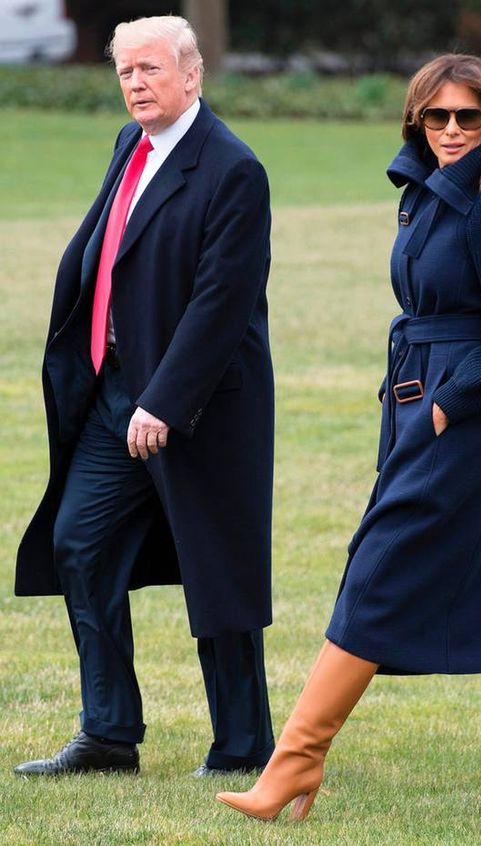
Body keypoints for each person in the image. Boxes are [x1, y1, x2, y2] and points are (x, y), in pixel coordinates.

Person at [216, 53, 481, 821]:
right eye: (437, 116)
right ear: (416, 119)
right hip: (417, 397)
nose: (451, 129)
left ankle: (294, 763)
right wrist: (417, 401)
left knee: (378, 567)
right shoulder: (421, 194)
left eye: (468, 116)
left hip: (463, 411)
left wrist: (447, 406)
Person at [14, 15, 275, 777]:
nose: (136, 83)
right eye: (125, 70)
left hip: (200, 404)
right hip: (116, 393)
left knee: (217, 572)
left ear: (192, 75)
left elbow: (222, 302)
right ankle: (108, 733)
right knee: (79, 544)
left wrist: (165, 401)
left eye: (151, 68)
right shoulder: (130, 144)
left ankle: (242, 748)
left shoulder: (233, 169)